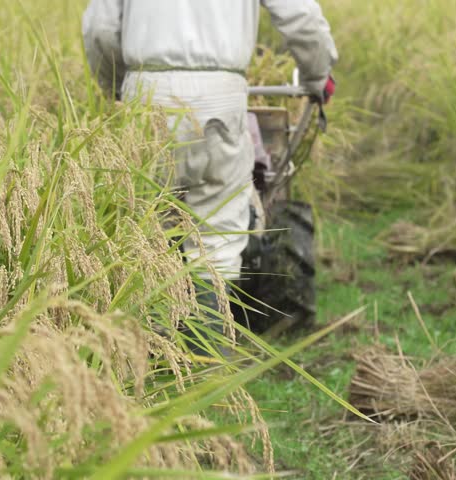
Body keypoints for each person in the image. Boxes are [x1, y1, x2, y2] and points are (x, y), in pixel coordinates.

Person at [82, 1, 337, 342]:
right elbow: (301, 17)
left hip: (145, 92)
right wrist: (317, 76)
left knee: (145, 227)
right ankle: (208, 366)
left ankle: (152, 354)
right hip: (220, 95)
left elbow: (99, 28)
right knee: (217, 241)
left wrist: (116, 85)